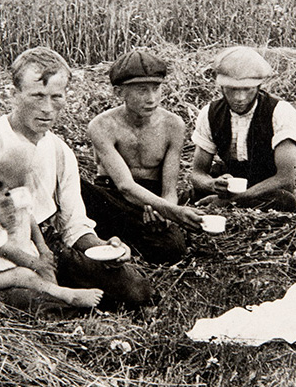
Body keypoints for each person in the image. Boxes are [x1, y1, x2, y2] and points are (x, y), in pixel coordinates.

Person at [0, 47, 154, 310]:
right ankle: (58, 303)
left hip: (45, 249)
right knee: (40, 303)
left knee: (137, 290)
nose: (48, 109)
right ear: (13, 95)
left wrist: (104, 248)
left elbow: (73, 226)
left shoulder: (60, 151)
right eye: (37, 96)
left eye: (56, 97)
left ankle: (66, 298)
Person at [82, 49, 204, 264]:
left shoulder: (173, 125)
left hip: (151, 203)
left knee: (173, 249)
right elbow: (124, 186)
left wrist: (165, 215)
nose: (151, 99)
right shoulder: (102, 126)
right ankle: (111, 240)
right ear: (119, 93)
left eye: (156, 89)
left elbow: (169, 190)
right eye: (141, 90)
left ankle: (123, 242)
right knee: (79, 188)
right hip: (111, 199)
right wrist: (175, 212)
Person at [0, 144, 103, 309]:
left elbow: (30, 219)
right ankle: (66, 295)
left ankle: (58, 297)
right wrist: (34, 263)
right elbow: (3, 248)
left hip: (22, 255)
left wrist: (43, 249)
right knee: (23, 275)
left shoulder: (15, 190)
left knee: (47, 270)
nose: (13, 193)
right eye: (6, 187)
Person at [189, 46, 296, 211]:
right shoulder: (210, 113)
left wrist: (232, 201)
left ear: (258, 86)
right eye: (233, 90)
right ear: (221, 87)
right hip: (230, 182)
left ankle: (229, 208)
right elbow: (197, 173)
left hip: (266, 187)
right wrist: (212, 185)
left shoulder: (281, 112)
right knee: (190, 196)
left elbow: (285, 177)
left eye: (247, 89)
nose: (240, 98)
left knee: (284, 201)